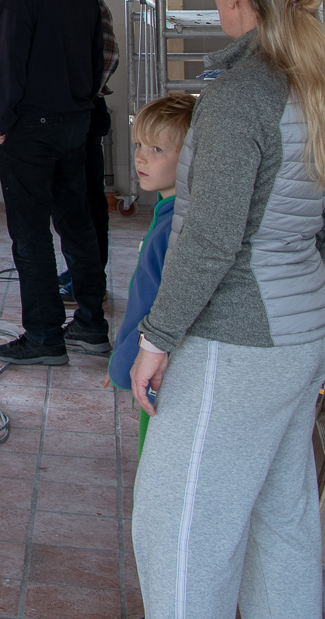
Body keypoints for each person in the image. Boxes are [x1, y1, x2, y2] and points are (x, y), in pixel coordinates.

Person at [128, 0, 325, 618]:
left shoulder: (239, 95)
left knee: (179, 530)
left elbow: (210, 237)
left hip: (241, 344)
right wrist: (289, 280)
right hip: (307, 329)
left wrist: (156, 338)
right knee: (280, 523)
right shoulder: (317, 79)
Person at [0, 0, 108, 364]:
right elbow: (98, 61)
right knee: (78, 224)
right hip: (77, 124)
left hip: (30, 131)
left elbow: (8, 67)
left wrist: (0, 123)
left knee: (30, 233)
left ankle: (43, 335)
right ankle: (91, 325)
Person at [107, 91, 195, 453]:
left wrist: (124, 363)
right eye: (139, 145)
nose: (140, 157)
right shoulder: (167, 211)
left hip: (159, 373)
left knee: (154, 457)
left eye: (157, 149)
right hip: (149, 362)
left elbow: (152, 302)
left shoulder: (176, 227)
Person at [51, 0, 119, 289]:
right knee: (69, 200)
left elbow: (109, 57)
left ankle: (90, 279)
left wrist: (79, 96)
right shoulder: (63, 0)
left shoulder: (88, 1)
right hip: (72, 113)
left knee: (86, 201)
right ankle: (80, 270)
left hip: (84, 114)